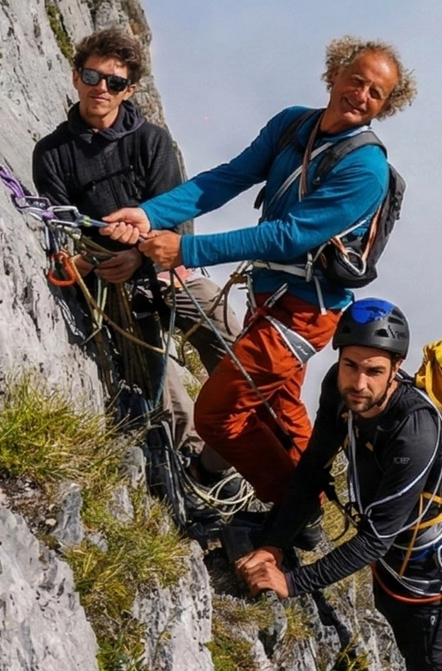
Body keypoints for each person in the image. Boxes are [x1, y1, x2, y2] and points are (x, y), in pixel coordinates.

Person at [101, 38, 416, 508]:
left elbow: (288, 236)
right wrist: (150, 214)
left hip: (305, 312)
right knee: (278, 412)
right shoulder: (294, 124)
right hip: (273, 298)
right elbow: (229, 177)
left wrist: (185, 248)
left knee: (217, 413)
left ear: (385, 106)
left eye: (377, 93)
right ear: (335, 73)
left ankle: (294, 513)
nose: (362, 95)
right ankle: (310, 508)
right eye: (356, 80)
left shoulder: (367, 170)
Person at [236, 299, 442, 671]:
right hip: (390, 544)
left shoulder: (415, 430)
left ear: (396, 369)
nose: (359, 383)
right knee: (394, 616)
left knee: (434, 651)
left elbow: (374, 540)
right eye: (350, 365)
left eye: (374, 371)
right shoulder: (339, 389)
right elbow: (312, 468)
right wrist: (276, 545)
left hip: (420, 556)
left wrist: (292, 582)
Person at [31, 28, 240, 450]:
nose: (101, 89)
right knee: (163, 392)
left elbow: (173, 217)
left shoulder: (151, 141)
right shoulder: (52, 153)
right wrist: (98, 262)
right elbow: (63, 230)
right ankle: (196, 462)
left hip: (165, 270)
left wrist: (140, 258)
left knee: (235, 347)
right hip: (109, 282)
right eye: (92, 77)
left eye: (114, 82)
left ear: (129, 90)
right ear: (75, 77)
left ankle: (240, 443)